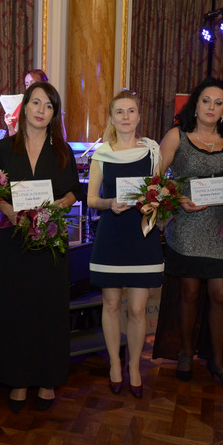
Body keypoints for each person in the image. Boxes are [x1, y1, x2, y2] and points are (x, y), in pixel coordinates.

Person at [0, 82, 84, 411]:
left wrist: (59, 205)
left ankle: (47, 380)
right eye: (36, 103)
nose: (41, 110)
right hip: (15, 239)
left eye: (49, 105)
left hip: (51, 240)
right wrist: (7, 210)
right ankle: (17, 380)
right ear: (25, 107)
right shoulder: (4, 149)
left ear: (54, 113)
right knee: (16, 309)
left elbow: (74, 191)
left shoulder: (62, 150)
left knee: (49, 309)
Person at [152, 77, 223, 393]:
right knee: (190, 292)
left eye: (218, 103)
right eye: (206, 100)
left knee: (221, 293)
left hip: (221, 226)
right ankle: (185, 353)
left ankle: (217, 361)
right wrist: (178, 198)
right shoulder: (176, 135)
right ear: (195, 104)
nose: (211, 107)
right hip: (186, 224)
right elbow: (155, 179)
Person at [87, 90, 163, 398]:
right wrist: (109, 203)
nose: (126, 116)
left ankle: (134, 367)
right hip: (112, 234)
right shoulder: (102, 154)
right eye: (119, 112)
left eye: (131, 110)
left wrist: (154, 203)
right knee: (111, 304)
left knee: (137, 308)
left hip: (142, 235)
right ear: (112, 118)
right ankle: (115, 365)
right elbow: (91, 199)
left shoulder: (152, 152)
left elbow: (159, 193)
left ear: (139, 116)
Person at [5, 69, 49, 136]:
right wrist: (10, 126)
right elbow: (14, 137)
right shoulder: (23, 106)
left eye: (33, 83)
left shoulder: (51, 106)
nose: (29, 87)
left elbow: (61, 135)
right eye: (27, 84)